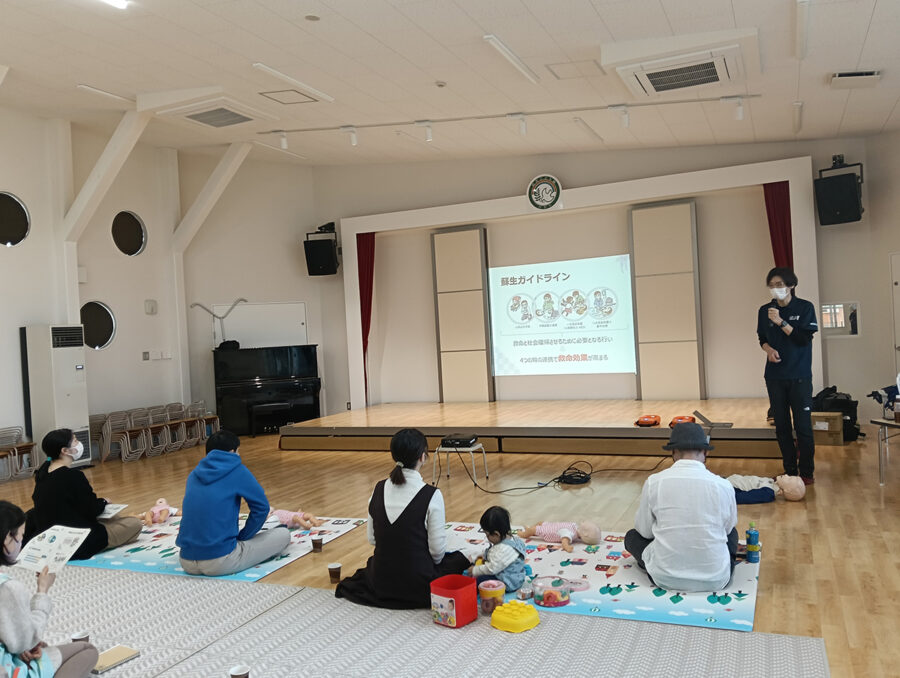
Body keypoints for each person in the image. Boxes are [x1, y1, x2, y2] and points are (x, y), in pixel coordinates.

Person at [335, 428, 469, 609]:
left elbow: (372, 539)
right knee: (460, 559)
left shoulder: (378, 489)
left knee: (373, 565)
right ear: (423, 457)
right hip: (420, 585)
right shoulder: (432, 494)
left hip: (382, 581)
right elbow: (437, 554)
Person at [624, 423, 738, 593]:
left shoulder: (655, 482)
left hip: (663, 577)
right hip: (715, 579)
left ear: (673, 452)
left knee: (632, 536)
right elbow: (728, 529)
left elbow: (645, 532)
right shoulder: (724, 485)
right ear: (705, 452)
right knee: (733, 534)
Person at [1, 500, 99, 678]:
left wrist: (22, 648)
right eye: (21, 537)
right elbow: (27, 640)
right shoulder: (8, 589)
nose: (21, 543)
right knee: (87, 651)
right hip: (8, 670)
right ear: (8, 537)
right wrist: (42, 591)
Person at [177, 430, 289, 576]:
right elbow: (262, 508)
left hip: (186, 560)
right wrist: (244, 536)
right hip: (221, 561)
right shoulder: (238, 471)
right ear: (231, 452)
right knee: (283, 534)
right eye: (238, 451)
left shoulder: (194, 474)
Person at [28, 429, 141, 560]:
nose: (79, 443)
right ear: (65, 450)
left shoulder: (42, 474)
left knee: (114, 518)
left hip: (51, 537)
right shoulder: (73, 476)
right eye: (75, 441)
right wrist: (103, 502)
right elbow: (91, 510)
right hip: (76, 541)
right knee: (134, 524)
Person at [756, 267, 818, 483]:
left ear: (791, 285)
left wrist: (781, 322)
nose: (776, 289)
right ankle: (790, 471)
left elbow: (803, 339)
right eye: (772, 285)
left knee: (803, 427)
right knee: (781, 427)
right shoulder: (765, 310)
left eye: (780, 285)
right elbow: (762, 338)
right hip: (775, 376)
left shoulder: (805, 307)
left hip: (799, 376)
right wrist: (768, 350)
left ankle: (806, 472)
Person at [465, 506, 527, 591]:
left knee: (479, 581)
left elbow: (491, 569)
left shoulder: (502, 549)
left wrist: (475, 570)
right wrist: (482, 555)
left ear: (496, 534)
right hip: (517, 577)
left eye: (487, 535)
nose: (487, 538)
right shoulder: (515, 540)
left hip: (507, 582)